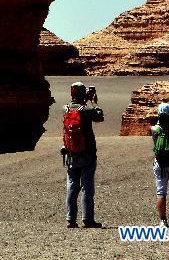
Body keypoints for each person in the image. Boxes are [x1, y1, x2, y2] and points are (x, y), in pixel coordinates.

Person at [62, 81, 104, 228]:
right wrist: (94, 102)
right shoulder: (85, 110)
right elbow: (100, 116)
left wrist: (84, 99)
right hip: (87, 154)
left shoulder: (65, 109)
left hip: (70, 154)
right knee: (87, 187)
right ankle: (88, 219)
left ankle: (70, 220)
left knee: (72, 187)